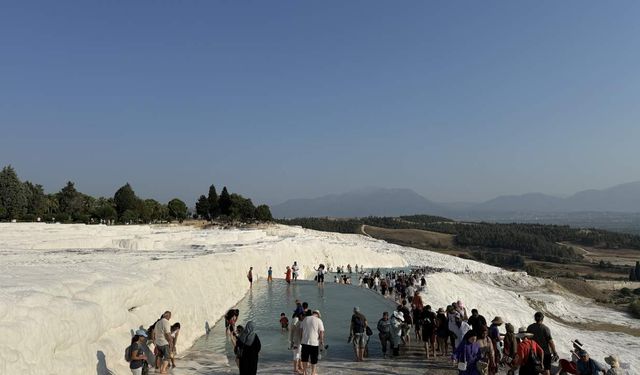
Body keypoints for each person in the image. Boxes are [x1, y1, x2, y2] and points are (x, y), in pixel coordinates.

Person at [300, 310, 325, 375]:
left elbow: (301, 330)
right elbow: (321, 332)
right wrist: (321, 341)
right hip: (314, 342)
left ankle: (304, 372)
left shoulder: (305, 319)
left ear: (312, 313)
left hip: (304, 341)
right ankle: (313, 372)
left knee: (304, 357)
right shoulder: (319, 320)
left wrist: (301, 340)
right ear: (318, 315)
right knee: (314, 358)